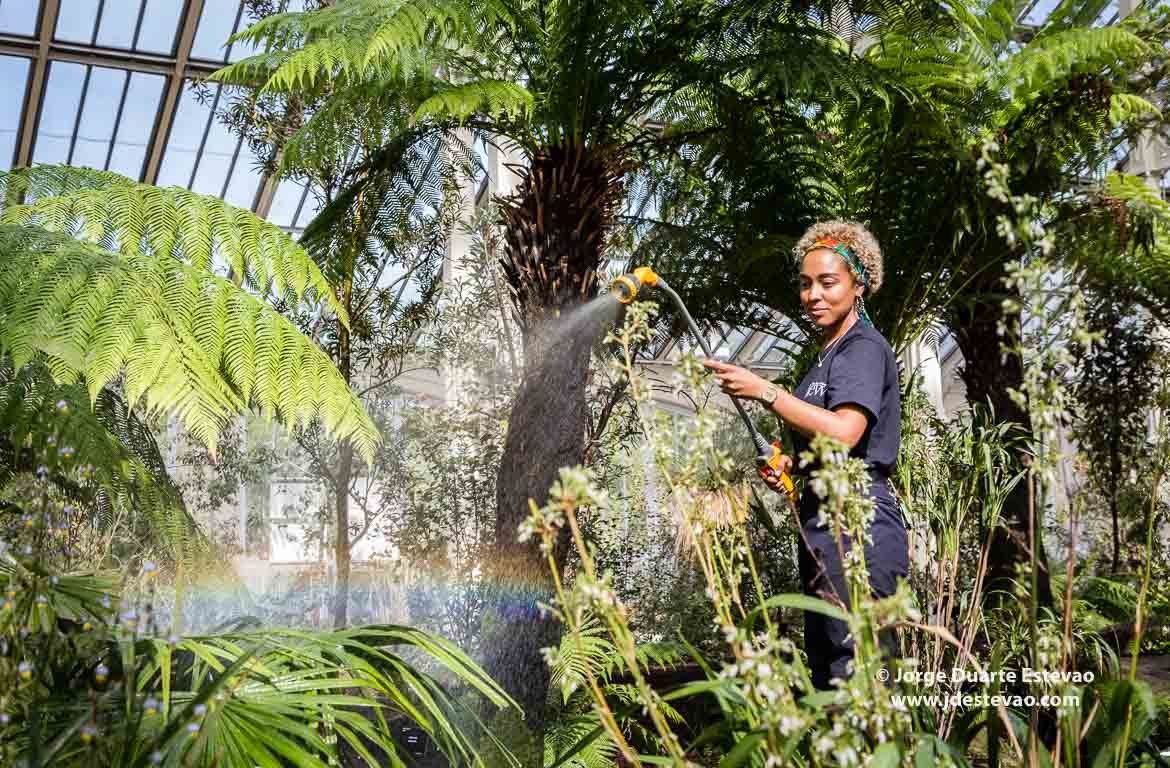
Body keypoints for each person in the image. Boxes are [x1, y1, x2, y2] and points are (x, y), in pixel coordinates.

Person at [701, 219, 908, 690]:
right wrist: (793, 467)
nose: (813, 294)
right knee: (829, 674)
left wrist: (765, 392)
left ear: (858, 285)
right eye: (806, 283)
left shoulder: (862, 349)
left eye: (828, 282)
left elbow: (844, 433)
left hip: (857, 525)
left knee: (859, 675)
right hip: (820, 527)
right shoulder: (826, 356)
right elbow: (827, 444)